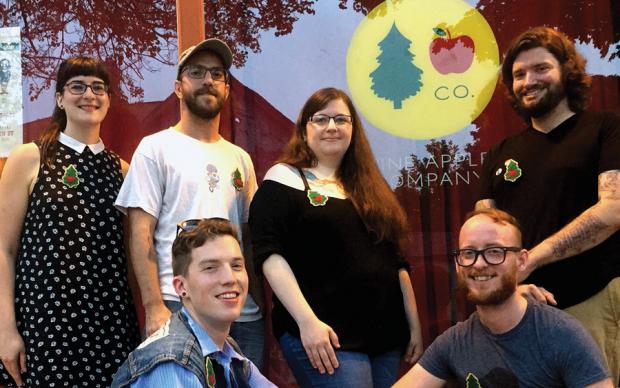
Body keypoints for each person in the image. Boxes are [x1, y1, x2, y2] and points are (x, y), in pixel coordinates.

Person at [249, 87, 423, 388]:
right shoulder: (284, 180)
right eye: (321, 119)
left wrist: (414, 324)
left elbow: (396, 261)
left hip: (385, 337)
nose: (332, 127)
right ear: (305, 129)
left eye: (341, 119)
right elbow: (269, 255)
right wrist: (308, 323)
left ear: (353, 130)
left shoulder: (369, 187)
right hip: (327, 335)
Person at [476, 26, 620, 384]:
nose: (528, 80)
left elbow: (613, 210)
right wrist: (510, 284)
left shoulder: (605, 129)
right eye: (519, 74)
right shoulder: (499, 153)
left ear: (566, 71)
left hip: (592, 300)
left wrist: (531, 259)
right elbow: (482, 237)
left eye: (541, 68)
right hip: (520, 310)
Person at [115, 38, 265, 369]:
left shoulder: (240, 158)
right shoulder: (155, 148)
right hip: (179, 305)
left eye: (216, 73)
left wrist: (258, 300)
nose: (208, 80)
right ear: (178, 87)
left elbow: (250, 239)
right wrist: (154, 305)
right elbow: (140, 234)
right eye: (196, 72)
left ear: (226, 89)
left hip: (241, 309)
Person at [0, 57, 140, 387]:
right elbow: (3, 249)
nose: (88, 94)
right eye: (77, 86)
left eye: (98, 87)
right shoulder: (29, 158)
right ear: (60, 98)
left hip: (109, 326)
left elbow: (132, 259)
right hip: (44, 327)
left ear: (108, 99)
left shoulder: (123, 171)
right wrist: (6, 328)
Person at [394, 208, 613, 388]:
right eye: (469, 253)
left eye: (494, 251)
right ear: (458, 266)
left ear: (522, 261)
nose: (479, 263)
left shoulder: (561, 335)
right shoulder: (454, 342)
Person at [112, 218, 275, 387]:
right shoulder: (172, 364)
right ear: (181, 287)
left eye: (236, 266)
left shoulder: (224, 348)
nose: (230, 278)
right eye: (210, 268)